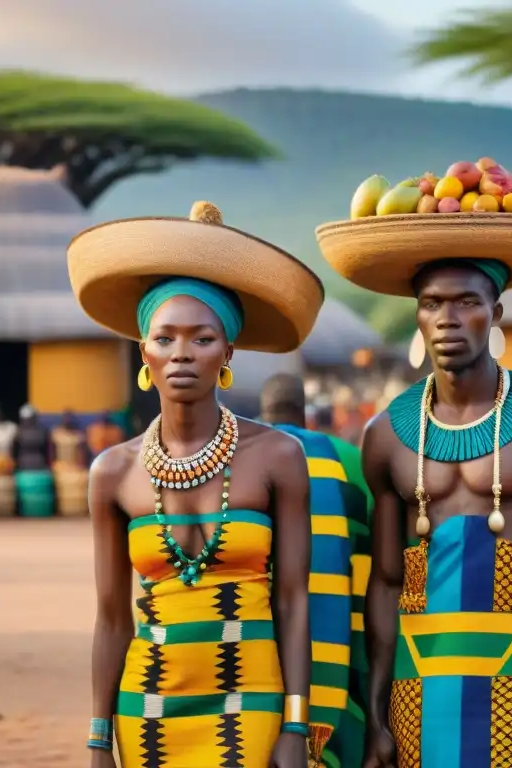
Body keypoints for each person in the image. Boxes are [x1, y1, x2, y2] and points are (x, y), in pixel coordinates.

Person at [318, 224, 512, 766]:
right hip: (418, 685)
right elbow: (386, 580)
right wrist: (377, 711)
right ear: (418, 318)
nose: (447, 317)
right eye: (432, 303)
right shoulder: (387, 434)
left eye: (467, 301)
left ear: (495, 313)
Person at [69, 201, 324, 768]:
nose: (181, 352)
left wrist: (296, 722)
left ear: (228, 351)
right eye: (164, 338)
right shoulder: (112, 472)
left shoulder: (279, 456)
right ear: (144, 352)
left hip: (253, 700)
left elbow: (293, 599)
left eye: (202, 338)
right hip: (148, 708)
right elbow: (112, 617)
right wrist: (96, 739)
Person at [259, 373, 373, 768]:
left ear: (263, 411)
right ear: (304, 412)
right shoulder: (352, 463)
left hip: (255, 676)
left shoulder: (241, 459)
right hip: (340, 662)